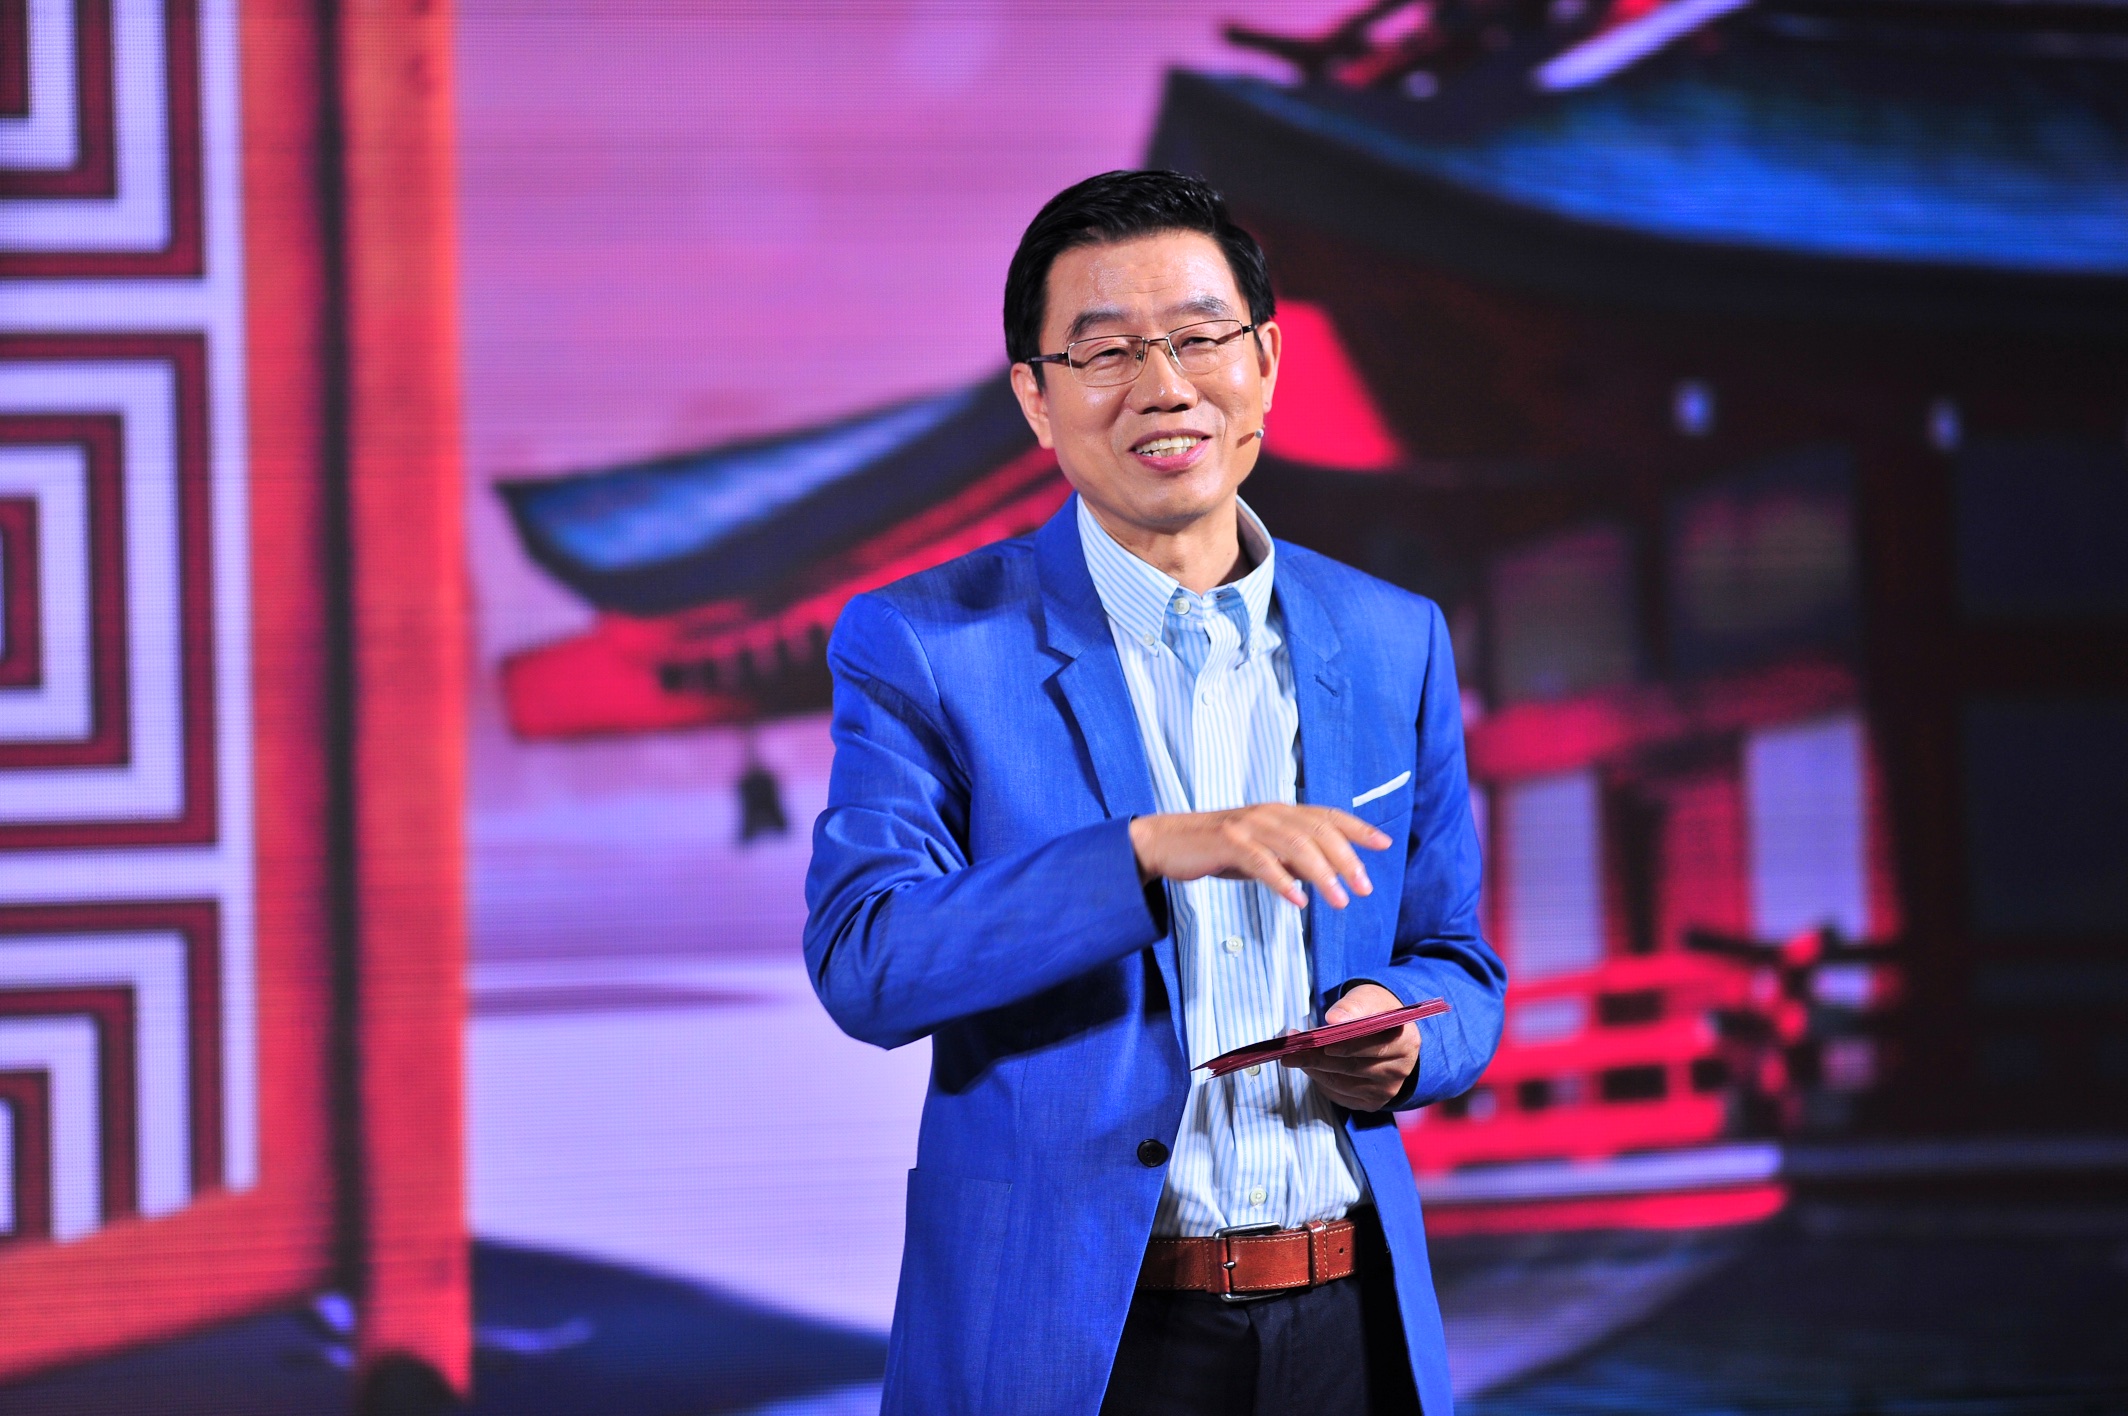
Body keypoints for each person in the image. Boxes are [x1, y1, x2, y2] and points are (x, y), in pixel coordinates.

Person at [804, 169, 1506, 1416]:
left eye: (1198, 337)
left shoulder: (1393, 637)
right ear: (1037, 398)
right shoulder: (924, 644)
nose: (1165, 386)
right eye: (1106, 352)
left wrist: (1405, 1035)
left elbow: (1459, 961)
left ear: (1266, 362)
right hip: (1077, 1338)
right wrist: (1145, 854)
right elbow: (868, 961)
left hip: (1348, 1319)